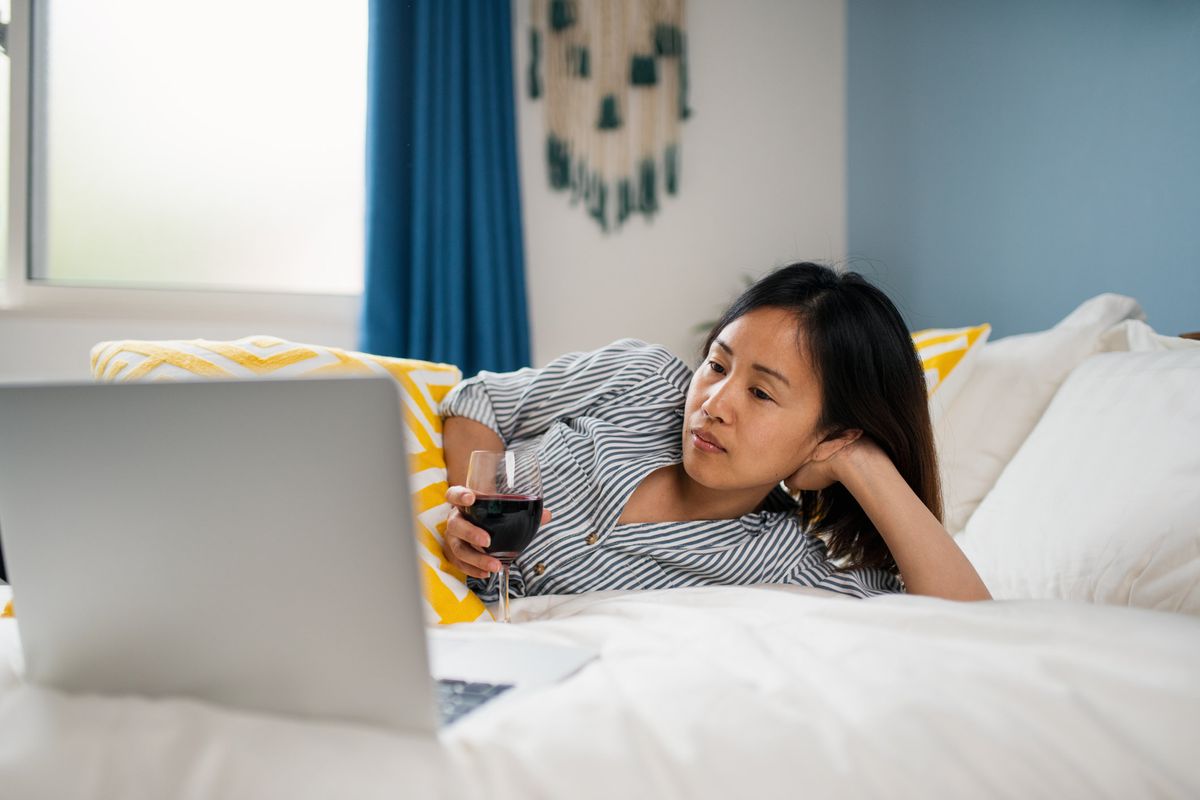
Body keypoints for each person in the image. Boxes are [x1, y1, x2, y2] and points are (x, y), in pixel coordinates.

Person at [439, 262, 991, 603]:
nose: (713, 404)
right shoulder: (640, 378)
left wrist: (860, 461)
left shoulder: (782, 561)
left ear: (831, 435)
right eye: (718, 365)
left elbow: (964, 620)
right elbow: (478, 400)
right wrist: (478, 511)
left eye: (761, 393)